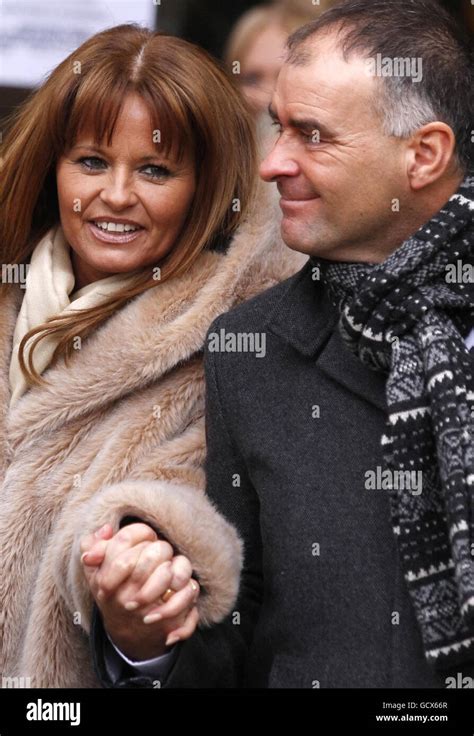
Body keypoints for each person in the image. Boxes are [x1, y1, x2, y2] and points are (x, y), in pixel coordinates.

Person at [94, 0, 473, 688]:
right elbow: (234, 629)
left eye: (312, 135)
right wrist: (144, 641)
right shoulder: (250, 349)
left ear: (424, 155)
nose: (271, 164)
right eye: (277, 127)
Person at [0, 24, 303, 688]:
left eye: (155, 169)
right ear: (52, 166)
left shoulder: (239, 348)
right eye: (90, 161)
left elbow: (196, 552)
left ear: (203, 185)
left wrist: (138, 603)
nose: (115, 194)